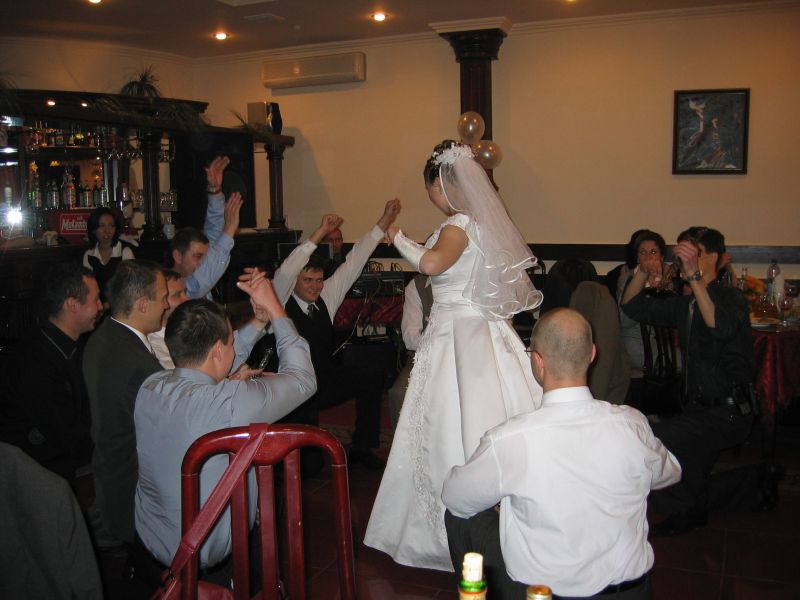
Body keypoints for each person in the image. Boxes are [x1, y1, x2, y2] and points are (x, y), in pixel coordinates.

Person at [364, 140, 544, 571]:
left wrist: (397, 237)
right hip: (482, 331)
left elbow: (431, 265)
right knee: (481, 420)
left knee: (444, 427)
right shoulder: (481, 225)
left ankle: (449, 534)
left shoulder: (459, 224)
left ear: (439, 183)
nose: (430, 194)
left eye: (429, 186)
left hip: (455, 334)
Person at [441, 308, 681, 599]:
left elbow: (454, 497)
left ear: (538, 361)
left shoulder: (510, 438)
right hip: (630, 593)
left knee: (460, 516)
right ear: (592, 354)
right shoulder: (632, 424)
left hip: (543, 594)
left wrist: (502, 503)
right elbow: (670, 474)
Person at [135, 276, 316, 571]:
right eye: (231, 342)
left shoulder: (151, 386)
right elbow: (303, 380)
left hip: (151, 546)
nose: (234, 348)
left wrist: (258, 323)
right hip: (204, 564)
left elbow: (209, 365)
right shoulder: (226, 403)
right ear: (219, 350)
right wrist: (277, 311)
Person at [621, 227, 780, 536]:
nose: (686, 260)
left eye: (695, 254)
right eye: (684, 254)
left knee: (657, 438)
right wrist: (643, 270)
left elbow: (718, 326)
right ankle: (755, 483)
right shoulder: (686, 304)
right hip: (698, 409)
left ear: (714, 258)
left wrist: (694, 277)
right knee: (690, 473)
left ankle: (686, 509)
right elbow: (632, 306)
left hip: (729, 412)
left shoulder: (731, 298)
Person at [267, 203, 400, 469]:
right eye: (308, 281)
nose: (315, 287)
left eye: (318, 280)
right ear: (295, 282)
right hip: (291, 392)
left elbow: (355, 260)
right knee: (309, 468)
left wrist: (384, 220)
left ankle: (362, 448)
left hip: (322, 383)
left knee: (370, 374)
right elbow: (286, 270)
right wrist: (319, 233)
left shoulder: (326, 295)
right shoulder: (278, 301)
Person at [82, 260, 168, 547]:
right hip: (134, 492)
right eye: (163, 297)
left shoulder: (103, 336)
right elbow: (167, 426)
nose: (167, 305)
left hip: (109, 474)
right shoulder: (137, 364)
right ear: (143, 305)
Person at [0, 263, 102, 484]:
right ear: (72, 304)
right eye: (95, 300)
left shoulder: (75, 345)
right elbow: (67, 435)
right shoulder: (34, 361)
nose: (101, 306)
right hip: (38, 477)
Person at [171, 156, 243, 299]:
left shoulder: (201, 284)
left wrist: (214, 190)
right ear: (178, 256)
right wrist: (229, 230)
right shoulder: (173, 289)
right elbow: (198, 284)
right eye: (198, 256)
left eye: (206, 256)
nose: (205, 261)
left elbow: (214, 233)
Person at [387, 273, 433, 428]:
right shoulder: (417, 285)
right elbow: (410, 339)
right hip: (424, 358)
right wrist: (441, 344)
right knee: (399, 393)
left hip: (465, 356)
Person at [82, 206, 135, 302]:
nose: (107, 231)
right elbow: (87, 288)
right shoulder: (89, 255)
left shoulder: (125, 252)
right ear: (94, 230)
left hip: (121, 304)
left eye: (111, 226)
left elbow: (130, 285)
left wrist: (109, 304)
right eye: (102, 226)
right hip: (97, 305)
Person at [147, 269, 188, 369]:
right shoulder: (153, 344)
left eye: (185, 292)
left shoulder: (186, 329)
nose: (187, 299)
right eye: (177, 295)